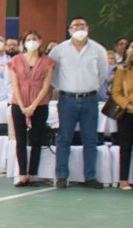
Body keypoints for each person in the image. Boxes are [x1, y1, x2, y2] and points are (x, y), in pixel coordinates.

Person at [48, 17, 108, 188]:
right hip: (67, 99)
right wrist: (64, 88)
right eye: (76, 26)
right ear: (69, 30)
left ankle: (90, 176)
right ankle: (61, 176)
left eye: (82, 25)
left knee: (90, 139)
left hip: (90, 99)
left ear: (87, 28)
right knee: (64, 138)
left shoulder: (98, 50)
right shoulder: (59, 50)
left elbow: (102, 73)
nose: (79, 29)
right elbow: (52, 74)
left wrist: (90, 87)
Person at [8, 31, 55, 186]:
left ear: (40, 41)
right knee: (20, 139)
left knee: (36, 139)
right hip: (18, 103)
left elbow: (46, 86)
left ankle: (32, 173)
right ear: (23, 42)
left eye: (34, 39)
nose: (31, 42)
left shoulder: (48, 62)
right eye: (28, 39)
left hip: (40, 104)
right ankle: (22, 173)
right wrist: (22, 106)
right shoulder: (16, 60)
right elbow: (15, 85)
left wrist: (33, 105)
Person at [111, 56, 133, 190]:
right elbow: (116, 93)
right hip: (127, 113)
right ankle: (123, 179)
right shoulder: (122, 71)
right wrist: (128, 106)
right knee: (125, 147)